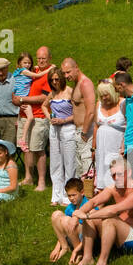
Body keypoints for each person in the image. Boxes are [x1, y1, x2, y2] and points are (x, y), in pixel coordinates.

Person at [68, 155, 133, 265]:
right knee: (92, 212)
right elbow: (94, 201)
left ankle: (102, 264)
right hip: (121, 237)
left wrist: (87, 216)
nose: (116, 178)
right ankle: (87, 258)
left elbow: (114, 210)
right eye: (113, 175)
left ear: (128, 172)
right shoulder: (114, 188)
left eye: (119, 174)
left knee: (107, 218)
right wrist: (77, 216)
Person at [20, 47, 54, 191]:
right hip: (25, 116)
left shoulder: (50, 75)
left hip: (40, 116)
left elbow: (44, 97)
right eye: (38, 58)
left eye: (43, 59)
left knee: (38, 149)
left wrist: (22, 99)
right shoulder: (34, 71)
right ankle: (28, 177)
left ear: (49, 59)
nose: (40, 61)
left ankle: (41, 182)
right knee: (26, 147)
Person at [61, 58, 96, 190]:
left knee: (88, 170)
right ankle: (84, 203)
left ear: (77, 67)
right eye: (64, 73)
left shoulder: (85, 84)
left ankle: (91, 203)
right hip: (78, 132)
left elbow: (91, 111)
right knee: (81, 169)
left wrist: (84, 132)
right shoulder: (76, 83)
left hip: (86, 133)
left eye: (68, 72)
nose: (66, 76)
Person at [44, 67, 77, 205]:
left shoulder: (70, 92)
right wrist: (49, 118)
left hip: (68, 128)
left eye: (57, 79)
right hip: (54, 130)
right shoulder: (52, 93)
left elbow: (78, 113)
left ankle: (67, 196)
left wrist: (64, 120)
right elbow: (44, 106)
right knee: (55, 163)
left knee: (69, 163)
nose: (55, 82)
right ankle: (56, 195)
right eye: (52, 80)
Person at [93, 81, 126, 190]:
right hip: (101, 147)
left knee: (115, 169)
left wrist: (123, 145)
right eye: (101, 95)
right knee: (101, 169)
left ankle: (117, 197)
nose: (104, 98)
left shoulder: (123, 103)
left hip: (116, 145)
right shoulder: (99, 104)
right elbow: (96, 126)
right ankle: (102, 197)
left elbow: (130, 125)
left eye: (106, 95)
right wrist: (93, 148)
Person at [49, 177, 89, 262]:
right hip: (72, 235)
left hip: (86, 239)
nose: (71, 198)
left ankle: (79, 252)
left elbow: (92, 230)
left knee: (66, 220)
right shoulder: (70, 207)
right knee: (56, 214)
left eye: (73, 195)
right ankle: (64, 247)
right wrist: (57, 248)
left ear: (82, 192)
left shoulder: (88, 204)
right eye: (69, 196)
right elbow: (62, 229)